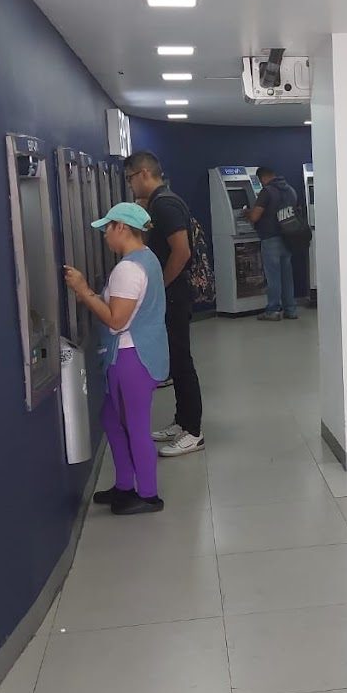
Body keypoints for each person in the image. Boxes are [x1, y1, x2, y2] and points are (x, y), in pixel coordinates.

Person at [64, 203, 168, 516]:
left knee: (135, 426)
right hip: (136, 353)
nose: (105, 235)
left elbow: (116, 321)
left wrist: (84, 291)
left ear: (121, 227)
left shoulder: (128, 270)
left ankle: (147, 494)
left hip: (130, 357)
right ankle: (124, 484)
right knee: (111, 418)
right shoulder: (147, 258)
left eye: (107, 228)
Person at [124, 151, 205, 456]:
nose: (130, 185)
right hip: (171, 293)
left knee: (181, 361)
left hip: (174, 294)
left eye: (130, 178)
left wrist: (159, 286)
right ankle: (182, 421)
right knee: (175, 359)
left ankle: (193, 431)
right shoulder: (159, 202)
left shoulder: (165, 204)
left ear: (144, 173)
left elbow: (181, 252)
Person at [247, 166, 299, 321]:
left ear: (262, 178)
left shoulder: (267, 192)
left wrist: (247, 213)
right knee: (287, 277)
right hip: (288, 238)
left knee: (273, 277)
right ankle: (290, 310)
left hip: (270, 238)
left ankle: (273, 310)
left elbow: (255, 216)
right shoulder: (290, 190)